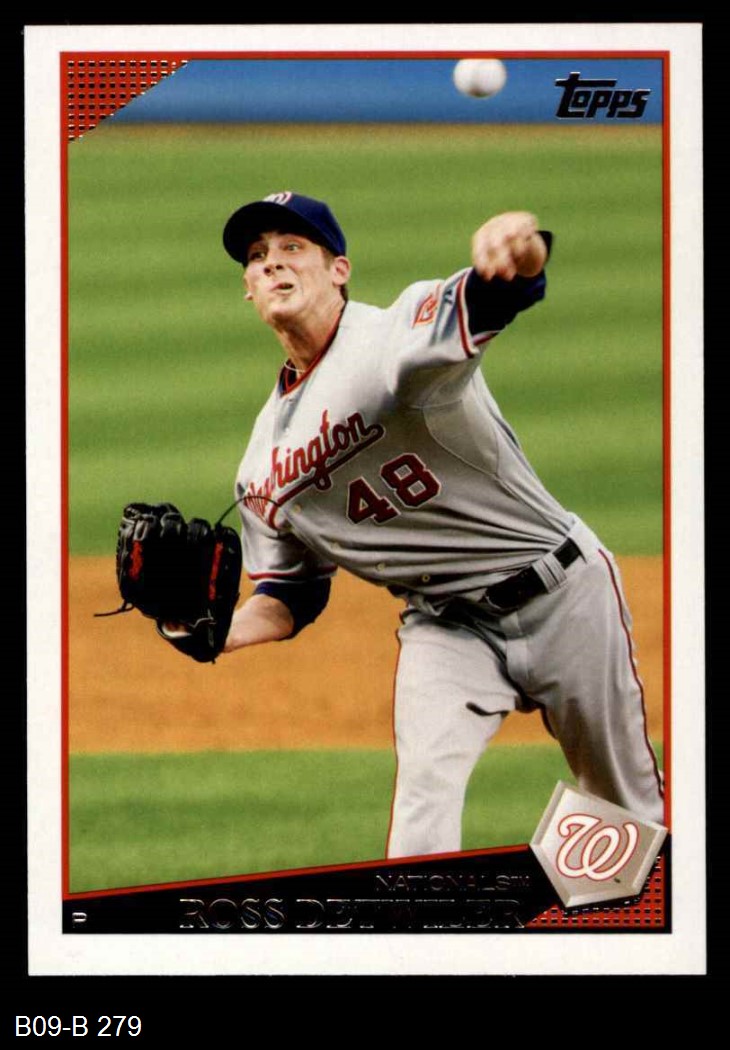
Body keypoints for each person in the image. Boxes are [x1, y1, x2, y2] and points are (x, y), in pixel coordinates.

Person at [221, 190, 664, 859]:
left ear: (339, 270)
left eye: (292, 248)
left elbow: (500, 291)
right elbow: (292, 591)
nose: (273, 264)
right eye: (257, 257)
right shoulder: (262, 461)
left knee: (624, 811)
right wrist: (216, 631)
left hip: (564, 593)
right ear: (248, 291)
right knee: (422, 803)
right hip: (447, 627)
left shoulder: (394, 336)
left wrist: (520, 245)